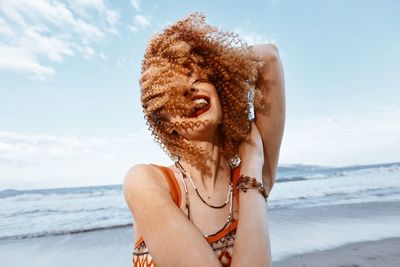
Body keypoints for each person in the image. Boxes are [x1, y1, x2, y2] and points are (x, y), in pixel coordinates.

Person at [124, 12, 285, 267]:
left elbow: (269, 58)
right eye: (173, 90)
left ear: (222, 92)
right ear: (166, 123)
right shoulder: (145, 182)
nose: (189, 89)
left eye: (198, 76)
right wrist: (253, 164)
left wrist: (213, 59)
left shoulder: (249, 177)